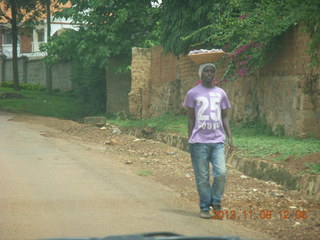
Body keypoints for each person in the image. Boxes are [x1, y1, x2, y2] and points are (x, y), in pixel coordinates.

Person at [183, 63, 234, 219]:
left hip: (218, 140)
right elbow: (191, 118)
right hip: (199, 142)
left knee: (221, 173)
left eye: (212, 71)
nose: (209, 73)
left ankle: (216, 202)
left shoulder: (221, 93)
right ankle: (205, 206)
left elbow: (224, 116)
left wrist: (230, 136)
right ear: (200, 73)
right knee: (203, 176)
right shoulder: (192, 93)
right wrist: (190, 138)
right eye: (206, 71)